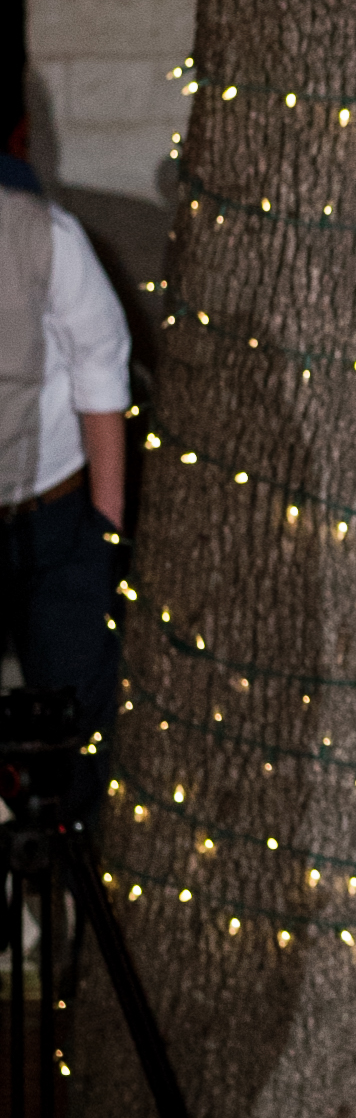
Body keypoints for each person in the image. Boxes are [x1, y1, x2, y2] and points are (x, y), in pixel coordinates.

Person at [0, 186, 129, 735]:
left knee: (73, 727)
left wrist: (104, 530)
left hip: (56, 519)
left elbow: (99, 364)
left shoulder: (43, 232)